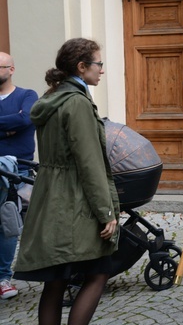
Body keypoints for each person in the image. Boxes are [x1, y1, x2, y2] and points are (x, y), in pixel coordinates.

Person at [14, 38, 120, 324]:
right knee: (98, 274)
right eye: (99, 64)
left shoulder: (51, 98)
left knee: (56, 280)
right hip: (75, 203)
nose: (102, 70)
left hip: (50, 199)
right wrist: (106, 211)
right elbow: (89, 163)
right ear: (82, 66)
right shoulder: (77, 103)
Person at [0, 52, 38, 300]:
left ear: (11, 69)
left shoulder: (27, 95)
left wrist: (17, 125)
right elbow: (16, 123)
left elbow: (26, 119)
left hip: (17, 171)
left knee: (8, 223)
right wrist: (8, 129)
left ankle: (3, 278)